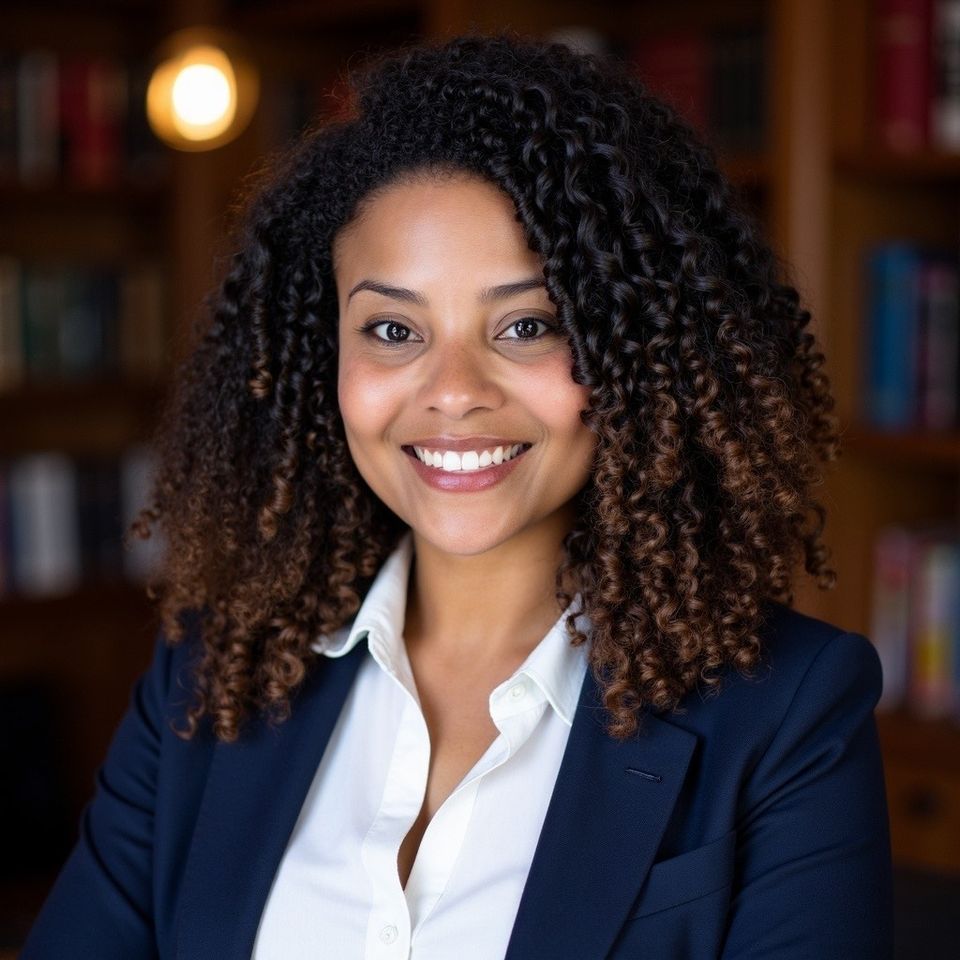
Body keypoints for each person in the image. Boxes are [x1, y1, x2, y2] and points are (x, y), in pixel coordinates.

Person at [22, 31, 893, 960]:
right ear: (327, 358)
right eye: (394, 328)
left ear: (640, 353)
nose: (452, 390)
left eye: (525, 325)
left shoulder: (787, 711)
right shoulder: (211, 677)